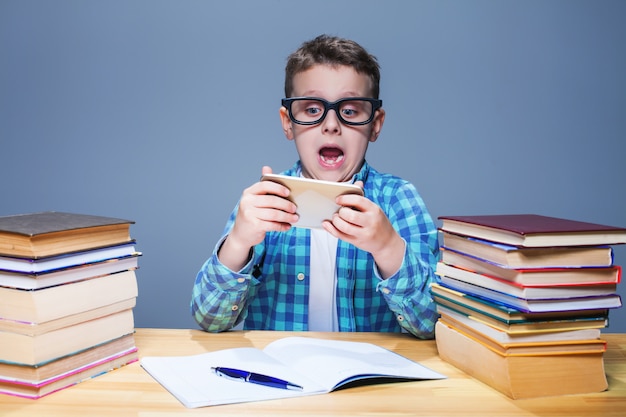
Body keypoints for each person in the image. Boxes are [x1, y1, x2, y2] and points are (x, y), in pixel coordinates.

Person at [191, 34, 439, 339]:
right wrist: (239, 243)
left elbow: (431, 324)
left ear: (375, 124)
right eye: (311, 110)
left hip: (369, 384)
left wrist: (388, 248)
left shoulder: (399, 199)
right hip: (282, 380)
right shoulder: (266, 201)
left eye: (350, 110)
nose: (331, 124)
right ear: (288, 122)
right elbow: (209, 318)